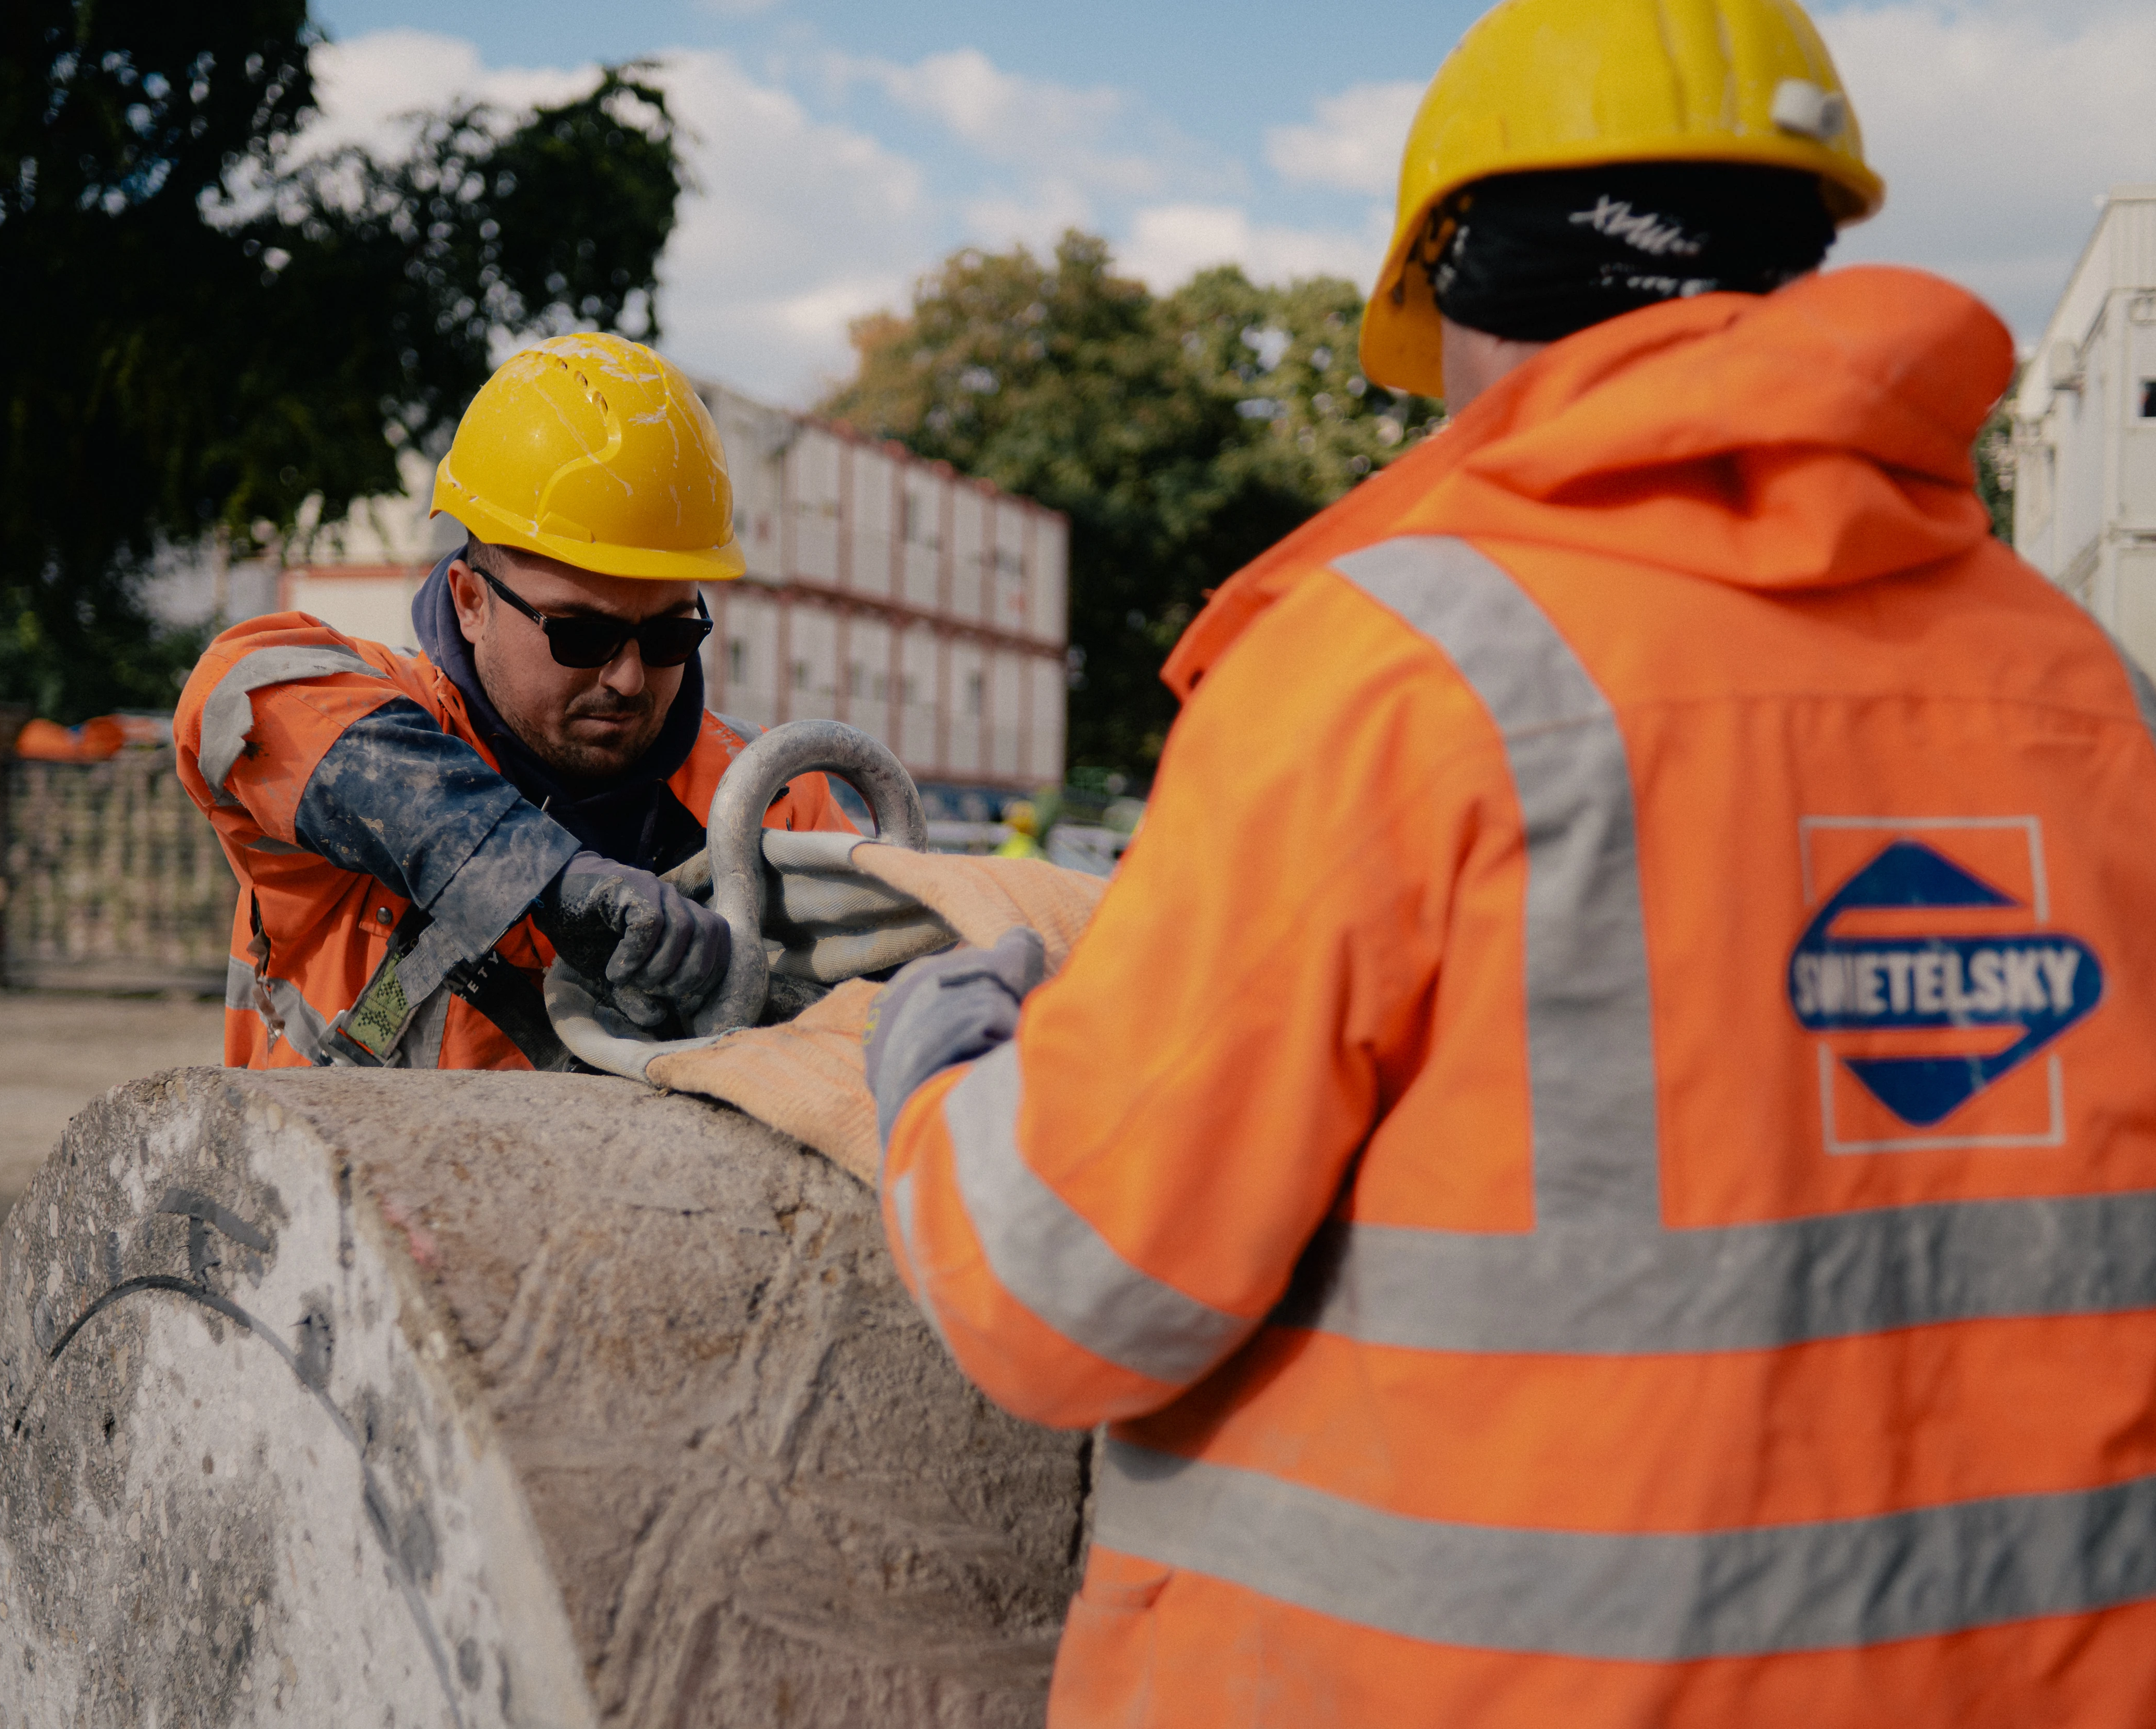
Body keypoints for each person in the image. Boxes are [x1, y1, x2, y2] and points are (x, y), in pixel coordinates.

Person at [864, 0, 2156, 1720]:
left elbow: (1066, 1291)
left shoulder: (1389, 671)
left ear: (1458, 299)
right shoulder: (2101, 704)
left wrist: (936, 1065)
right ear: (1808, 263)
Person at [174, 333, 850, 1071]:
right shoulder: (378, 726)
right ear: (470, 602)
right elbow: (238, 687)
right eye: (581, 634)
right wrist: (546, 880)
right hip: (326, 1180)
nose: (628, 678)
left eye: (669, 637)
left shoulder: (767, 798)